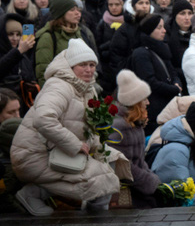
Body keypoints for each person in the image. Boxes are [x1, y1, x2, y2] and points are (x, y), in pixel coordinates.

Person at [11, 39, 130, 216]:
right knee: (100, 179)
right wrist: (75, 145)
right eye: (83, 65)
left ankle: (94, 214)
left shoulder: (86, 88)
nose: (89, 70)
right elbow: (44, 119)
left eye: (92, 64)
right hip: (33, 155)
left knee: (111, 158)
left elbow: (84, 126)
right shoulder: (59, 86)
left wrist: (96, 145)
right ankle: (32, 194)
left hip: (56, 150)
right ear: (72, 66)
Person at [107, 69, 162, 208]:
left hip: (137, 185)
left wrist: (152, 179)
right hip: (126, 190)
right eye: (144, 99)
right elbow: (123, 166)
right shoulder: (120, 126)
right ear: (135, 102)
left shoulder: (134, 123)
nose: (148, 103)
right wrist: (149, 181)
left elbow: (139, 161)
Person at [129, 14, 182, 135]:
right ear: (149, 30)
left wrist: (176, 82)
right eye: (159, 28)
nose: (164, 31)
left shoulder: (162, 47)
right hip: (154, 108)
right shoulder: (141, 53)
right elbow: (149, 82)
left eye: (163, 27)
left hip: (169, 104)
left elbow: (172, 72)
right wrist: (173, 89)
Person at [34, 0, 97, 85]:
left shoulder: (78, 32)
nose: (78, 13)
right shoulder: (48, 36)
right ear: (61, 14)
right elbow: (43, 71)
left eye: (78, 10)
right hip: (59, 90)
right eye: (72, 10)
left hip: (80, 88)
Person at [1, 15, 36, 111]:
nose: (15, 38)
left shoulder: (23, 55)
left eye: (18, 34)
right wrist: (18, 51)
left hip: (23, 105)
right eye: (11, 34)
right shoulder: (19, 52)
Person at [164, 0, 194, 86]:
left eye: (190, 13)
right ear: (175, 16)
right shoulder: (166, 35)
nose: (187, 17)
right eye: (182, 13)